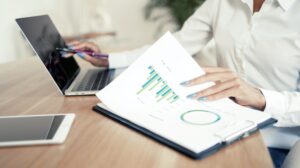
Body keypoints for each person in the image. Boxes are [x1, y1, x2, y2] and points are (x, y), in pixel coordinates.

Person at [66, 0, 300, 167]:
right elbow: (178, 45)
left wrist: (261, 97)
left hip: (274, 140)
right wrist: (109, 59)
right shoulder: (222, 3)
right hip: (216, 122)